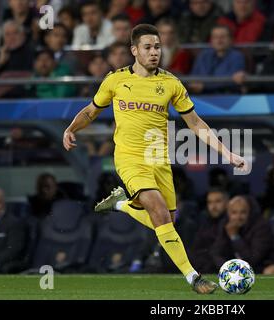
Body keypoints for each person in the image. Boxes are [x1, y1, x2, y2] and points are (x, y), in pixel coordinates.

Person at [63, 23, 248, 294]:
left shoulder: (171, 83)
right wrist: (71, 128)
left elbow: (196, 124)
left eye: (158, 47)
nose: (154, 52)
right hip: (128, 158)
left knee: (167, 220)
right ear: (134, 50)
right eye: (148, 47)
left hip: (159, 160)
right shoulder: (115, 80)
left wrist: (227, 152)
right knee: (159, 211)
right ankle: (193, 277)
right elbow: (91, 111)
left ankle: (121, 205)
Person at [209, 195, 274, 273]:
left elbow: (253, 260)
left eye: (243, 212)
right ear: (228, 214)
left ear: (249, 213)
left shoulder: (261, 227)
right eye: (234, 212)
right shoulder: (225, 224)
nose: (238, 217)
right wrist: (228, 269)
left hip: (257, 271)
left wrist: (235, 237)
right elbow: (216, 252)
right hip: (232, 271)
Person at [188, 25, 246, 94]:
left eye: (223, 37)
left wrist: (204, 86)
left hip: (226, 96)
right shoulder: (203, 55)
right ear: (211, 40)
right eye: (215, 37)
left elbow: (232, 81)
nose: (219, 40)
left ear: (230, 39)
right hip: (201, 97)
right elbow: (194, 77)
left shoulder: (237, 56)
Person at [190, 188, 229, 273]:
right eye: (210, 202)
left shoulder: (233, 223)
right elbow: (195, 250)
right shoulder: (203, 223)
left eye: (218, 201)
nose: (213, 206)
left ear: (227, 203)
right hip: (205, 271)